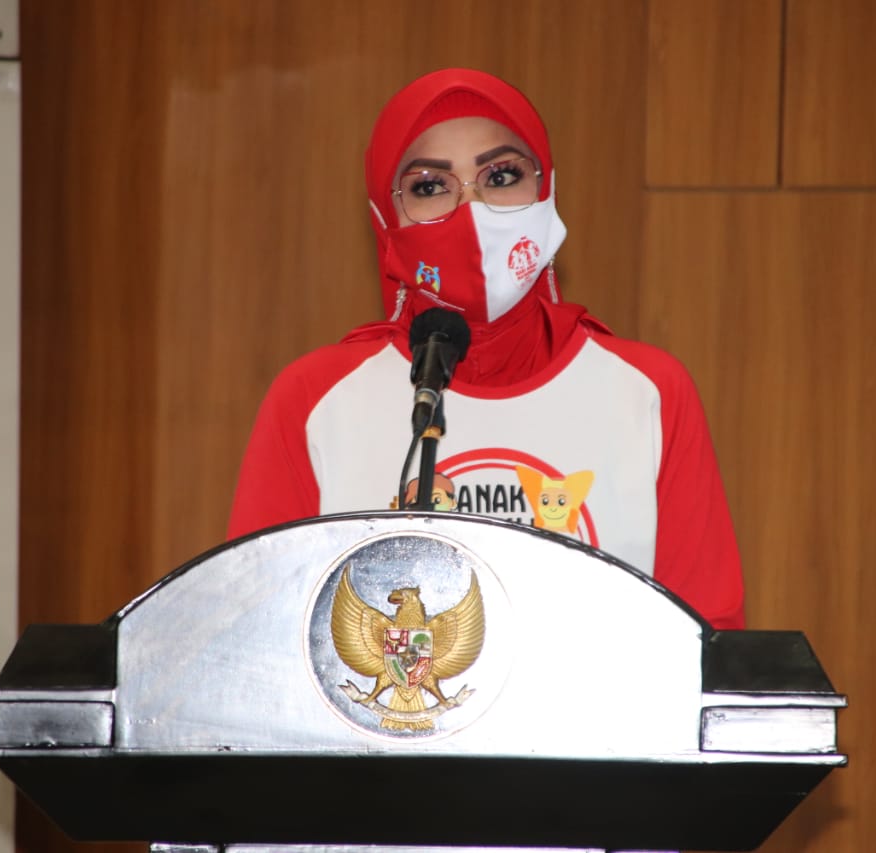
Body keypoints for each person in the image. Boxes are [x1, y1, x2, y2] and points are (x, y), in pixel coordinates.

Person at [226, 68, 744, 629]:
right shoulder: (315, 400)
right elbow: (255, 637)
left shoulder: (647, 393)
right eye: (430, 186)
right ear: (384, 218)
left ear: (546, 192)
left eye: (500, 176)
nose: (471, 208)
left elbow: (709, 640)